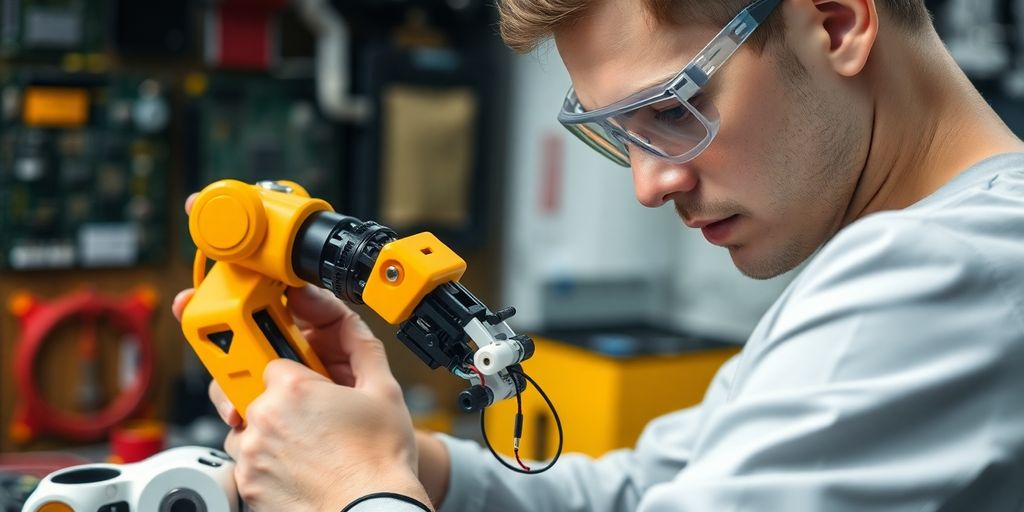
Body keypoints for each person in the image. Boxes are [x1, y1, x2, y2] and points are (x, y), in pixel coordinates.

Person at [173, 0, 1024, 509]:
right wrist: (406, 459)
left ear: (835, 21)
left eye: (670, 109)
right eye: (618, 136)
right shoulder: (894, 266)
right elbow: (640, 494)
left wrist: (356, 491)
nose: (650, 184)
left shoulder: (952, 270)